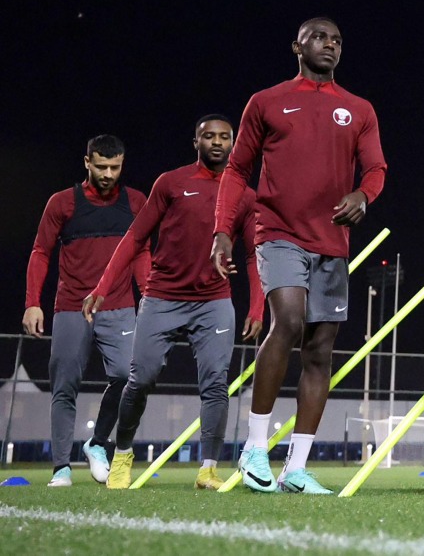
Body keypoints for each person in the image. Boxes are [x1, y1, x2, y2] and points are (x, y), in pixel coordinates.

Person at [212, 18, 387, 495]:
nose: (330, 45)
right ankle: (253, 447)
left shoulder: (358, 109)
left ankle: (297, 467)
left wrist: (364, 196)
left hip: (330, 243)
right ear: (297, 46)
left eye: (337, 40)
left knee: (320, 350)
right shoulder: (266, 102)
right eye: (320, 38)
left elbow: (375, 167)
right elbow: (237, 169)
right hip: (278, 233)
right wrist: (223, 232)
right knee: (287, 321)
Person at [84, 116, 265, 490]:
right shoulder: (171, 183)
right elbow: (135, 238)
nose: (217, 142)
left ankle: (209, 469)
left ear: (235, 143)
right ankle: (122, 456)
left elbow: (252, 256)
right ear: (195, 141)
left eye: (225, 137)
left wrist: (257, 306)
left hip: (214, 302)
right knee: (140, 379)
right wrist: (102, 287)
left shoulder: (245, 196)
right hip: (162, 298)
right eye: (208, 136)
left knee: (216, 384)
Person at [24, 134, 150, 488]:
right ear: (87, 163)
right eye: (102, 166)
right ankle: (61, 467)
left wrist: (150, 297)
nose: (109, 173)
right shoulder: (62, 204)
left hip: (121, 307)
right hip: (71, 309)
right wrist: (33, 302)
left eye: (115, 167)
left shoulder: (136, 202)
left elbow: (141, 253)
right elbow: (40, 252)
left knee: (129, 377)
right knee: (64, 387)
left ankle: (98, 444)